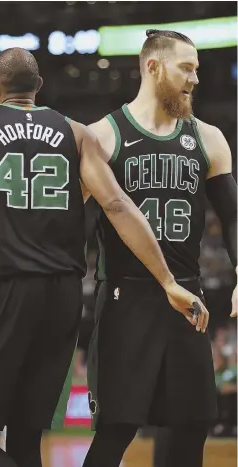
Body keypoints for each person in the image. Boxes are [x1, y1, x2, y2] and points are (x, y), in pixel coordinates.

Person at [0, 47, 206, 467]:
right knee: (26, 437)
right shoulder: (76, 133)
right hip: (65, 296)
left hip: (5, 291)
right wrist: (168, 281)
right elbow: (120, 206)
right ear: (39, 88)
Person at [83, 30, 237, 467]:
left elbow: (233, 216)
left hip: (187, 299)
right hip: (123, 296)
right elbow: (63, 218)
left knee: (188, 429)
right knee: (115, 430)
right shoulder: (102, 135)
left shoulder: (207, 137)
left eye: (197, 69)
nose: (195, 78)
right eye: (186, 68)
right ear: (153, 67)